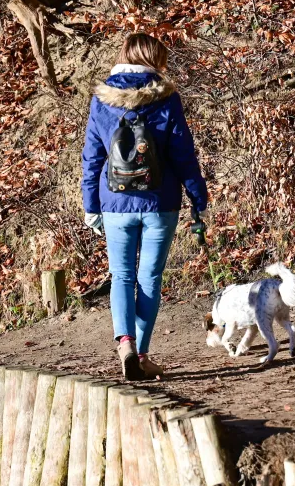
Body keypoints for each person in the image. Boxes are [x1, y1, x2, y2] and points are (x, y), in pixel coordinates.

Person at [81, 32, 209, 380]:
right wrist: (199, 198)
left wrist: (90, 204)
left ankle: (124, 343)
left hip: (115, 202)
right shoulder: (166, 98)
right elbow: (184, 154)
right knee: (149, 278)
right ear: (154, 59)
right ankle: (141, 354)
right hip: (160, 202)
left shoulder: (102, 100)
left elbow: (92, 157)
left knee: (121, 276)